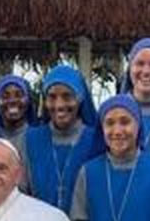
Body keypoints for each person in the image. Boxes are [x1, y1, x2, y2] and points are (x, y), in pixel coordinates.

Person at [23, 65, 98, 213]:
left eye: (67, 96)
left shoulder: (96, 140)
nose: (59, 105)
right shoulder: (30, 139)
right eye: (52, 97)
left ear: (80, 98)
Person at [0, 73, 37, 153]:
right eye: (5, 96)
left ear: (28, 100)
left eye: (18, 95)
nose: (12, 101)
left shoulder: (40, 137)